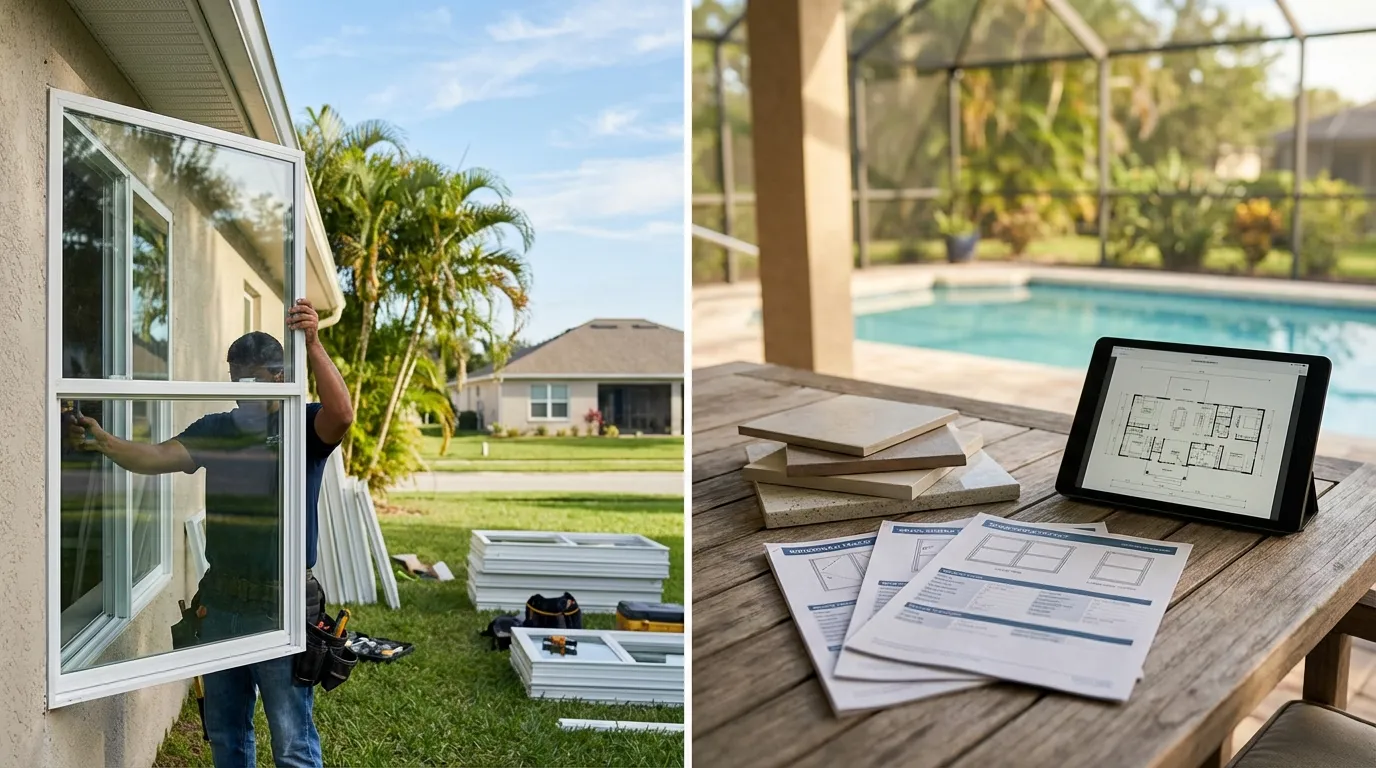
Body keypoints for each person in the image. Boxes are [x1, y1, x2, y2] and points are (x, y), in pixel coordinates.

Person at [66, 298, 352, 768]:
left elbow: (341, 415)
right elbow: (156, 457)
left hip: (280, 605)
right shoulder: (218, 430)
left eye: (251, 378)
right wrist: (102, 442)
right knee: (226, 733)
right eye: (234, 379)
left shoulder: (301, 425)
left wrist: (315, 344)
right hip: (219, 605)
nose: (240, 391)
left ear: (280, 376)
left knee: (293, 742)